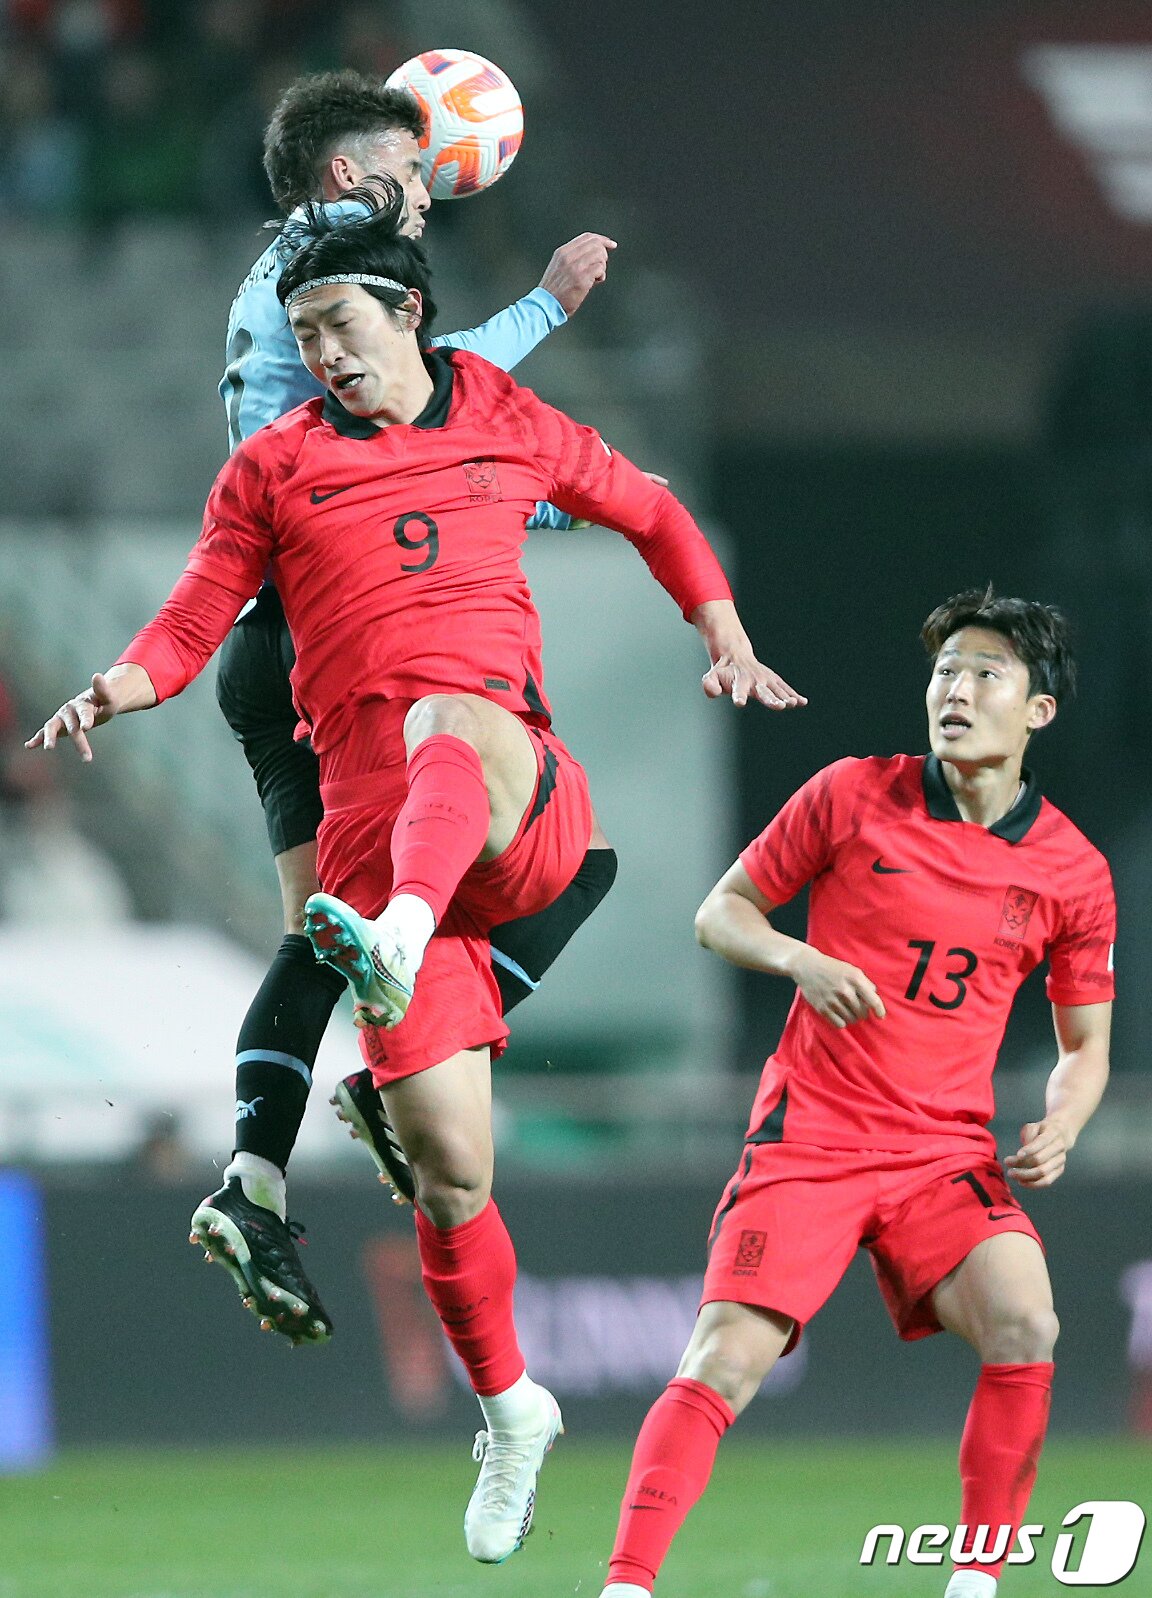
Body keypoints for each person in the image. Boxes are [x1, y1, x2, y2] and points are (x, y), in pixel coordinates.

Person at [28, 187, 804, 1565]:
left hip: (511, 799)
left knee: (453, 712)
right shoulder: (273, 468)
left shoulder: (507, 414)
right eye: (305, 334)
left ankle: (384, 949)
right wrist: (115, 686)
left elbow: (649, 507)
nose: (325, 353)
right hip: (376, 849)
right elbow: (196, 613)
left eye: (343, 323)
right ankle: (512, 1410)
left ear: (411, 314)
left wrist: (725, 630)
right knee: (450, 1176)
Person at [207, 69, 626, 1345]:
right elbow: (430, 380)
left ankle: (252, 1182)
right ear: (348, 179)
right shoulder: (334, 280)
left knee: (319, 937)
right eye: (412, 167)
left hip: (260, 646)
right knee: (576, 862)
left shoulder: (274, 281)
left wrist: (534, 500)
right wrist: (548, 304)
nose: (431, 192)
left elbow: (426, 458)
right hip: (337, 636)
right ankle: (399, 1083)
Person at [593, 588, 1114, 1598]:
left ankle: (975, 1581)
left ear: (1038, 710)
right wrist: (799, 958)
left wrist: (1067, 1118)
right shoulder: (851, 793)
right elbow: (720, 913)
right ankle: (627, 1584)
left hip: (943, 1156)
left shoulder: (1073, 871)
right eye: (946, 671)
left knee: (1027, 1322)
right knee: (723, 1359)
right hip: (814, 1137)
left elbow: (1084, 1045)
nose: (956, 690)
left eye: (987, 674)